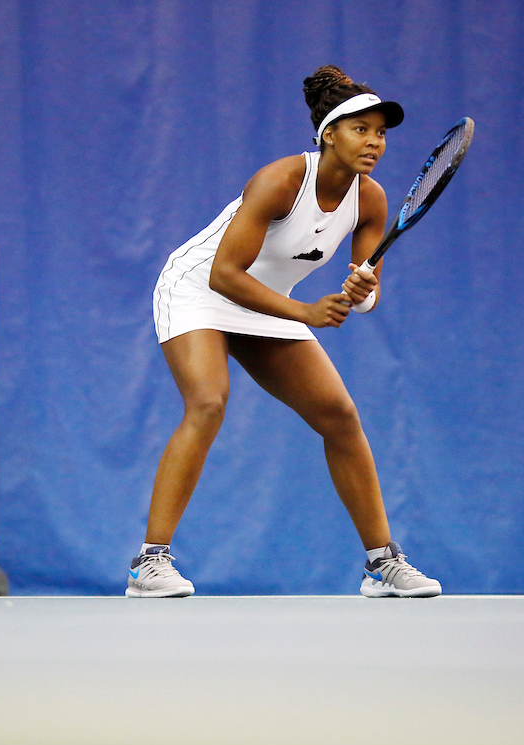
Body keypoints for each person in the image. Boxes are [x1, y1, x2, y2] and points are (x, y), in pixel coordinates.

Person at [129, 65, 441, 599]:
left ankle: (381, 564)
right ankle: (149, 564)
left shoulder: (372, 201)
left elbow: (366, 299)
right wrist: (305, 313)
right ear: (328, 135)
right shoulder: (281, 180)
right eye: (360, 129)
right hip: (198, 290)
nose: (374, 142)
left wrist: (359, 290)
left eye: (381, 133)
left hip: (267, 303)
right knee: (207, 403)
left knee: (340, 416)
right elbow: (223, 274)